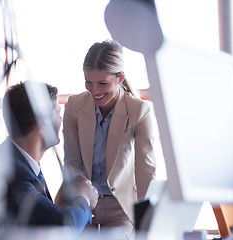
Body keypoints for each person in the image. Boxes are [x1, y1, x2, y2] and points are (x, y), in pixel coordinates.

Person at [62, 40, 156, 236]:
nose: (94, 90)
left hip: (120, 207)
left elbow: (146, 172)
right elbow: (71, 161)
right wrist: (84, 192)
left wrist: (147, 225)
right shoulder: (73, 106)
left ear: (120, 78)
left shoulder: (139, 111)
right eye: (88, 81)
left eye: (103, 83)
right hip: (81, 201)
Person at [1, 81, 98, 231]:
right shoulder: (14, 174)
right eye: (57, 112)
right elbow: (62, 227)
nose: (61, 119)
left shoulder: (21, 162)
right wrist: (84, 198)